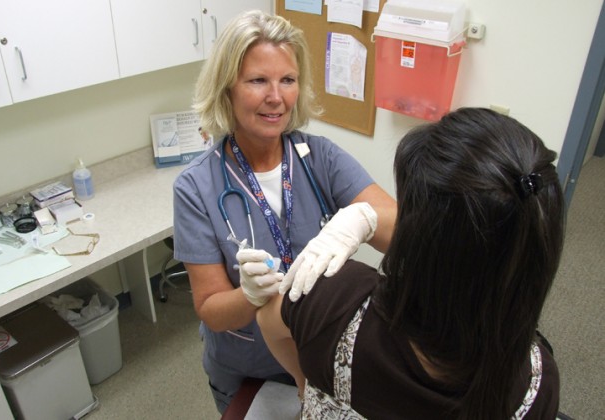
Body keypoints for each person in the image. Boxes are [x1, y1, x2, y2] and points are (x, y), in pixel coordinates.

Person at [258, 107, 564, 419]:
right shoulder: (537, 385)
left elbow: (269, 322)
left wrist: (302, 380)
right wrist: (370, 216)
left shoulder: (332, 301)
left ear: (420, 237)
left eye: (406, 207)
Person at [172, 10, 397, 414]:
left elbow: (400, 230)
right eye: (258, 80)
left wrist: (363, 219)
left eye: (288, 80)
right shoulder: (196, 187)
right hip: (248, 366)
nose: (276, 97)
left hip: (317, 353)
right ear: (227, 89)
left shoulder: (318, 157)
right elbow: (210, 308)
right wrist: (249, 296)